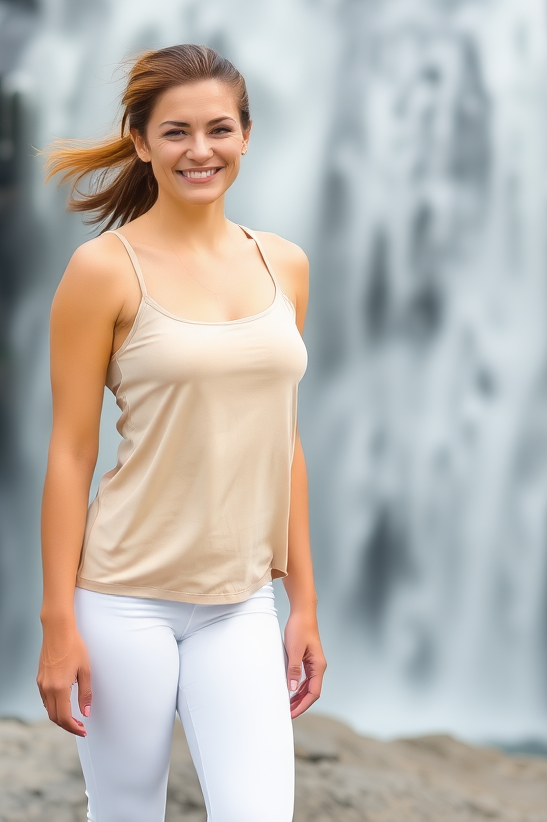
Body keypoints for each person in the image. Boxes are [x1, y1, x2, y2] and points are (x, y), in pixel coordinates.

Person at [37, 44, 325, 822]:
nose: (201, 151)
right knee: (127, 811)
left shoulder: (285, 265)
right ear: (140, 141)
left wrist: (304, 604)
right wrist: (58, 624)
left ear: (247, 135)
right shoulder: (103, 270)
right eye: (175, 132)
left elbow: (283, 441)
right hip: (124, 599)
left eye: (219, 129)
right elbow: (70, 453)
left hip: (240, 602)